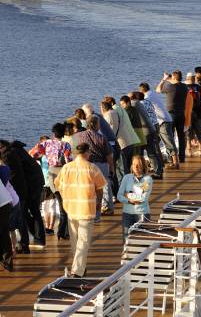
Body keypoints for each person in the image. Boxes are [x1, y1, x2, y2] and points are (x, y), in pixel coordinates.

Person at [54, 143, 107, 277]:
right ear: (87, 152)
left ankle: (80, 268)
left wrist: (67, 195)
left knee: (75, 241)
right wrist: (99, 204)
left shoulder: (66, 168)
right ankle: (77, 270)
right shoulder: (92, 168)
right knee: (83, 241)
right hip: (86, 209)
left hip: (71, 208)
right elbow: (100, 187)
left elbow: (57, 184)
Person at [0, 139, 47, 248]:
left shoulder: (10, 155)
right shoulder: (16, 151)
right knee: (28, 212)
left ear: (4, 147)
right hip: (32, 183)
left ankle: (38, 238)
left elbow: (15, 173)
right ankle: (36, 236)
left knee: (32, 211)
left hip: (32, 184)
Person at [74, 114, 115, 218]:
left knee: (89, 189)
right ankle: (107, 207)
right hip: (101, 165)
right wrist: (111, 168)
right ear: (96, 125)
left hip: (85, 165)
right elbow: (109, 155)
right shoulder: (101, 138)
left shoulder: (78, 136)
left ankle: (89, 209)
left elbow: (74, 151)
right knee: (105, 186)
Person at [139, 82, 174, 175]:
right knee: (156, 146)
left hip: (158, 123)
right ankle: (160, 165)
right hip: (157, 123)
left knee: (157, 147)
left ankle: (166, 165)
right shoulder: (151, 95)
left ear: (141, 90)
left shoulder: (144, 100)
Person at [116, 155, 153, 238]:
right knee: (127, 240)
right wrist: (129, 200)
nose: (136, 167)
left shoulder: (147, 179)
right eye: (134, 164)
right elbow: (119, 195)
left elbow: (142, 198)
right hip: (127, 214)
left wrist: (127, 194)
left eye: (138, 165)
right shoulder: (126, 177)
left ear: (143, 166)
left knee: (142, 240)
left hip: (142, 214)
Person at [157, 71, 188, 163]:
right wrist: (170, 79)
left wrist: (164, 79)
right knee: (181, 136)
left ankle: (172, 158)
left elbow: (158, 90)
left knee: (170, 136)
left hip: (171, 114)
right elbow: (176, 83)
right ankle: (182, 157)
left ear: (174, 77)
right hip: (181, 113)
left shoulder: (170, 87)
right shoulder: (184, 86)